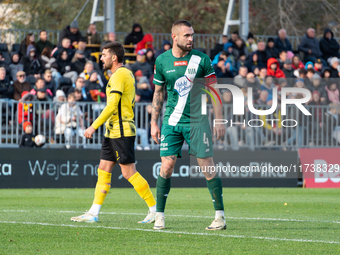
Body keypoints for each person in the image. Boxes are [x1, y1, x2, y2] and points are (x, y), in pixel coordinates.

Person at [151, 20, 226, 230]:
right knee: (166, 167)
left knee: (208, 168)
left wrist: (219, 119)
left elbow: (214, 90)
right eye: (186, 35)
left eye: (192, 35)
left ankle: (220, 216)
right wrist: (153, 123)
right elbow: (158, 94)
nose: (191, 39)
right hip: (171, 122)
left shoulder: (201, 59)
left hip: (197, 122)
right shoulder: (162, 61)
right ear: (174, 37)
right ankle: (159, 216)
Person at [71, 41, 156, 224]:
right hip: (112, 131)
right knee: (103, 169)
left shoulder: (121, 74)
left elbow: (112, 105)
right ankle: (93, 213)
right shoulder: (119, 75)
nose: (101, 58)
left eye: (104, 55)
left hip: (122, 130)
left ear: (114, 57)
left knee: (128, 173)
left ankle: (155, 210)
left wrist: (93, 126)